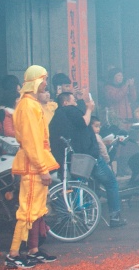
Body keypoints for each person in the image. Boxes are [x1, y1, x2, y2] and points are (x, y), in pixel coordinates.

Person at [5, 65, 59, 268]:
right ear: (36, 81)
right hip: (32, 166)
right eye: (44, 79)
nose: (46, 83)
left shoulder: (32, 104)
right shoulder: (27, 106)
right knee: (27, 212)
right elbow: (31, 141)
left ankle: (33, 250)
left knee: (37, 210)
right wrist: (42, 168)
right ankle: (13, 254)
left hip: (36, 164)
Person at [49, 92, 126, 227]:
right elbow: (84, 122)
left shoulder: (55, 118)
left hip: (69, 159)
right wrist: (89, 109)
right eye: (73, 100)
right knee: (111, 182)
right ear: (65, 103)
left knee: (77, 186)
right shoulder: (69, 110)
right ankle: (115, 217)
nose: (75, 103)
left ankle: (77, 219)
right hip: (87, 156)